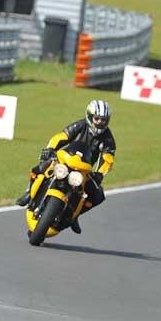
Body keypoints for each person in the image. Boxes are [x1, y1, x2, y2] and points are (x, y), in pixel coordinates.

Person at [16, 100, 115, 234]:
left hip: (84, 170)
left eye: (103, 120)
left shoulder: (108, 139)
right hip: (65, 161)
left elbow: (107, 159)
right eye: (97, 119)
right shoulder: (80, 125)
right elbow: (61, 136)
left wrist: (100, 174)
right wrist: (50, 149)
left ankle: (76, 215)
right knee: (40, 168)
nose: (100, 122)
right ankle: (28, 193)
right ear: (90, 116)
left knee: (97, 196)